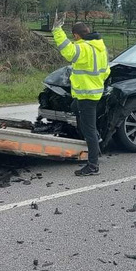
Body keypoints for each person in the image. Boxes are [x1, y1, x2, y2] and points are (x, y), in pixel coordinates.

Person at [51, 12, 110, 176]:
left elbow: (68, 51)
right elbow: (106, 71)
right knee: (74, 107)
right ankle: (95, 143)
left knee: (88, 129)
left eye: (74, 36)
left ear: (76, 35)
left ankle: (93, 165)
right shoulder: (100, 47)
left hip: (87, 95)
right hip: (93, 93)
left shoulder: (84, 48)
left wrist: (57, 30)